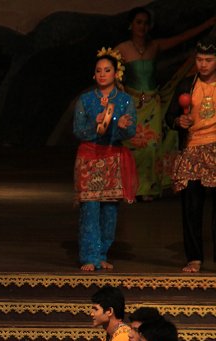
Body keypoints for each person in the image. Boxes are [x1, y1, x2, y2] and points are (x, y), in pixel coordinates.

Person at [165, 36, 216, 274]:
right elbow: (169, 118)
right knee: (191, 206)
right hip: (192, 148)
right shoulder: (186, 85)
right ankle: (194, 258)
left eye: (208, 60)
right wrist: (178, 121)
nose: (202, 64)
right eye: (199, 59)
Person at [116, 8, 216, 200]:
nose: (142, 26)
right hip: (132, 104)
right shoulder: (121, 48)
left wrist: (208, 25)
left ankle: (149, 189)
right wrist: (119, 87)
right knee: (135, 146)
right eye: (138, 22)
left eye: (145, 22)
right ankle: (133, 188)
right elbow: (107, 70)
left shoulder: (155, 46)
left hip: (153, 103)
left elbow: (182, 37)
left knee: (153, 145)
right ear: (131, 25)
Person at [72, 48, 137, 272]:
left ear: (115, 73)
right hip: (90, 157)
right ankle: (89, 256)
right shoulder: (86, 99)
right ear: (94, 74)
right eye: (98, 70)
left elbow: (130, 132)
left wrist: (121, 127)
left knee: (109, 210)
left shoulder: (126, 100)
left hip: (112, 158)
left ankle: (102, 254)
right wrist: (95, 124)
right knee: (90, 208)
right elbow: (79, 131)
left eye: (107, 70)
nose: (102, 74)